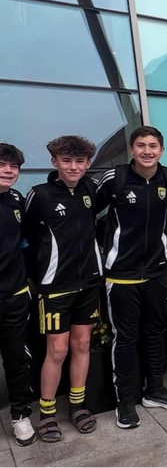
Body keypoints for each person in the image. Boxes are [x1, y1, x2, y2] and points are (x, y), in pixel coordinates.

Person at [96, 126, 167, 429]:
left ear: (162, 150)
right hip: (122, 274)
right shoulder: (115, 178)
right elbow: (84, 214)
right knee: (125, 338)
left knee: (156, 333)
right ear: (132, 149)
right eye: (140, 145)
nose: (147, 151)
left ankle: (155, 391)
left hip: (158, 272)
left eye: (152, 146)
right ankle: (124, 401)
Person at [24, 136, 102, 441]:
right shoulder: (40, 195)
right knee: (56, 350)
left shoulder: (90, 189)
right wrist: (34, 278)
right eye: (66, 161)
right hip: (55, 287)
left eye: (80, 161)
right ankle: (46, 414)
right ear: (54, 162)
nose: (73, 167)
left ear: (88, 164)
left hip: (88, 284)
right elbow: (26, 240)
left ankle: (77, 406)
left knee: (82, 346)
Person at [0, 143, 36, 446]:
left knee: (16, 359)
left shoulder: (16, 200)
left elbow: (26, 243)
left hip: (15, 294)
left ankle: (21, 416)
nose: (8, 171)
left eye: (13, 167)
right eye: (2, 165)